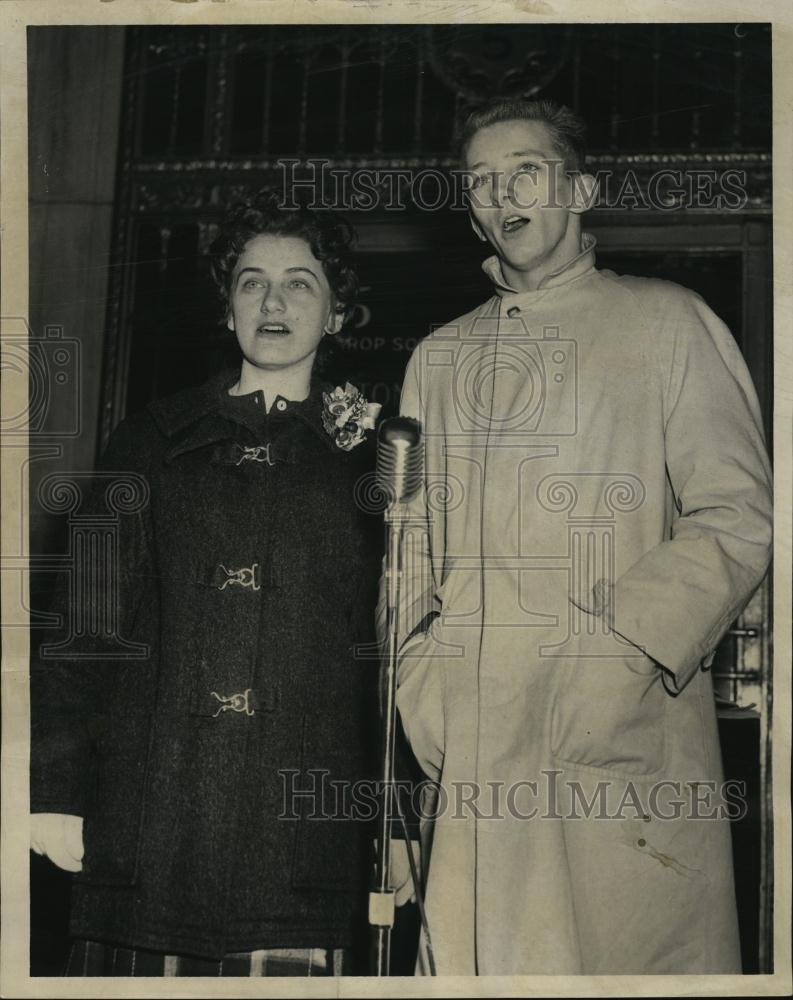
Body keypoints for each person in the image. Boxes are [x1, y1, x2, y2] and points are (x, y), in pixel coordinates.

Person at [390, 98, 773, 975]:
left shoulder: (667, 322)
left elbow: (739, 515)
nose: (500, 193)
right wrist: (421, 686)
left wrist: (619, 651)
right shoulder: (437, 359)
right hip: (472, 749)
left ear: (581, 188)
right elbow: (406, 552)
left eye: (524, 169)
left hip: (619, 737)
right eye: (480, 180)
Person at [30, 191, 388, 976]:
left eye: (301, 282)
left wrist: (394, 814)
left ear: (336, 313)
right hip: (149, 820)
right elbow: (82, 625)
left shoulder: (378, 460)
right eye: (251, 281)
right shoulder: (147, 442)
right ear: (226, 309)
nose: (273, 300)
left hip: (305, 833)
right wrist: (53, 787)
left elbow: (394, 649)